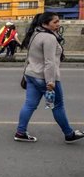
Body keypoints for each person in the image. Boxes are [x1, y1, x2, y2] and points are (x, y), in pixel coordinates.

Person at [15, 12, 83, 144]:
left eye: (58, 21)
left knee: (29, 105)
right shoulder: (49, 38)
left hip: (32, 74)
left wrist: (25, 74)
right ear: (45, 24)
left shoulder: (35, 34)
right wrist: (50, 82)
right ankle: (69, 134)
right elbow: (49, 62)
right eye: (55, 22)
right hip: (45, 77)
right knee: (58, 105)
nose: (58, 24)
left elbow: (29, 57)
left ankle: (20, 132)